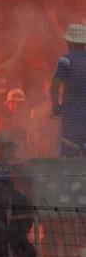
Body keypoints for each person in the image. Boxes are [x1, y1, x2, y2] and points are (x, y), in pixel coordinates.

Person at [51, 23, 86, 157]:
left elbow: (55, 85)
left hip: (72, 117)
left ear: (69, 41)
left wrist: (56, 105)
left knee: (69, 157)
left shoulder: (65, 60)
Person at [0, 89, 29, 159]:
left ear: (24, 104)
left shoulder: (29, 120)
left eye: (19, 103)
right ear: (7, 104)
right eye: (13, 102)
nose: (16, 105)